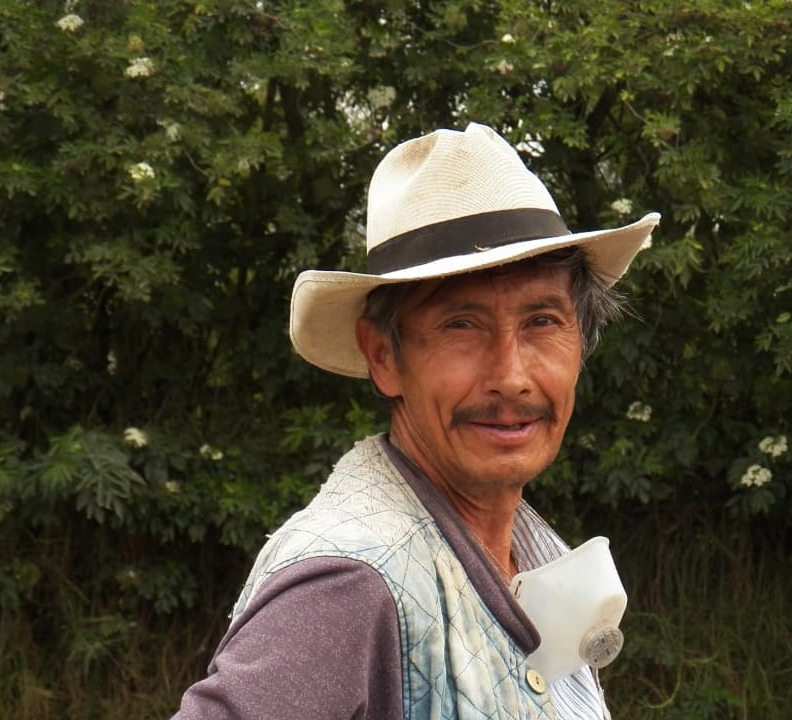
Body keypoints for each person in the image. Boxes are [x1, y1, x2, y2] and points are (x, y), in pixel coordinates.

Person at [172, 123, 661, 719]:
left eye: (542, 321)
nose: (511, 376)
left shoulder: (520, 548)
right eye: (461, 324)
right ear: (384, 356)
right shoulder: (350, 583)